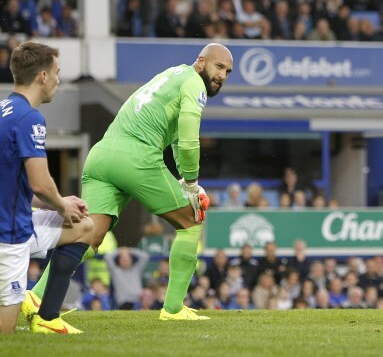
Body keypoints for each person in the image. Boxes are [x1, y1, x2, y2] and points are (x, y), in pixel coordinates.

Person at [24, 43, 233, 321]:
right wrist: (193, 185)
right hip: (136, 157)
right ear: (201, 62)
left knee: (89, 235)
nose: (222, 75)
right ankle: (172, 309)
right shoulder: (195, 84)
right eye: (218, 67)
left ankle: (35, 295)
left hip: (101, 156)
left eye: (228, 71)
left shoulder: (172, 75)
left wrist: (184, 180)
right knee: (192, 221)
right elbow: (188, 140)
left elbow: (172, 140)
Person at [0, 41, 92, 334]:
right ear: (42, 76)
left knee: (84, 225)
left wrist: (55, 203)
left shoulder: (3, 109)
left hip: (16, 220)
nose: (58, 79)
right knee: (6, 337)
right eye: (57, 72)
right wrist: (62, 204)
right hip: (9, 236)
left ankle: (48, 318)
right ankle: (43, 316)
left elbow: (14, 181)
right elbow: (40, 182)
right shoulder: (30, 118)